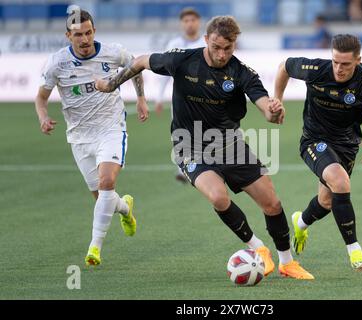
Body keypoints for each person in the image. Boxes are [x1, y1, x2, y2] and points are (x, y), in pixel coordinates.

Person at [96, 16, 314, 280]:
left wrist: (273, 111)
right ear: (206, 40)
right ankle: (258, 248)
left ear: (235, 44)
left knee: (272, 203)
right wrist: (111, 84)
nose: (221, 54)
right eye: (216, 47)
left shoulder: (242, 72)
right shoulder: (181, 60)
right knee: (219, 197)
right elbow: (142, 60)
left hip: (230, 144)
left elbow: (264, 105)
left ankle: (286, 262)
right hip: (189, 146)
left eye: (228, 48)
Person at [35, 9, 149, 266]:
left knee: (107, 181)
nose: (84, 39)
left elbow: (136, 67)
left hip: (111, 128)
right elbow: (41, 98)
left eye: (88, 33)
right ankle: (125, 209)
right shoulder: (56, 63)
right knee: (103, 199)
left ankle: (94, 248)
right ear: (68, 36)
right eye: (78, 35)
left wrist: (141, 98)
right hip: (79, 137)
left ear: (94, 31)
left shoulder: (114, 53)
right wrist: (43, 117)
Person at [274, 34, 362, 271]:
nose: (339, 68)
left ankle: (301, 222)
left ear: (358, 60)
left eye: (345, 63)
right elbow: (284, 66)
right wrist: (277, 99)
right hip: (314, 140)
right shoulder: (315, 69)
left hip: (346, 145)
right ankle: (354, 250)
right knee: (340, 181)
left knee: (326, 202)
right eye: (335, 61)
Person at [154, 7, 206, 183]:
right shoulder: (174, 45)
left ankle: (205, 164)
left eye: (192, 20)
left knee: (205, 129)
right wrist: (159, 98)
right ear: (181, 24)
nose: (190, 23)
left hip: (205, 97)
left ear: (198, 22)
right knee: (180, 132)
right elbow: (164, 74)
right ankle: (182, 167)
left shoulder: (206, 43)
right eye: (186, 21)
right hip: (180, 98)